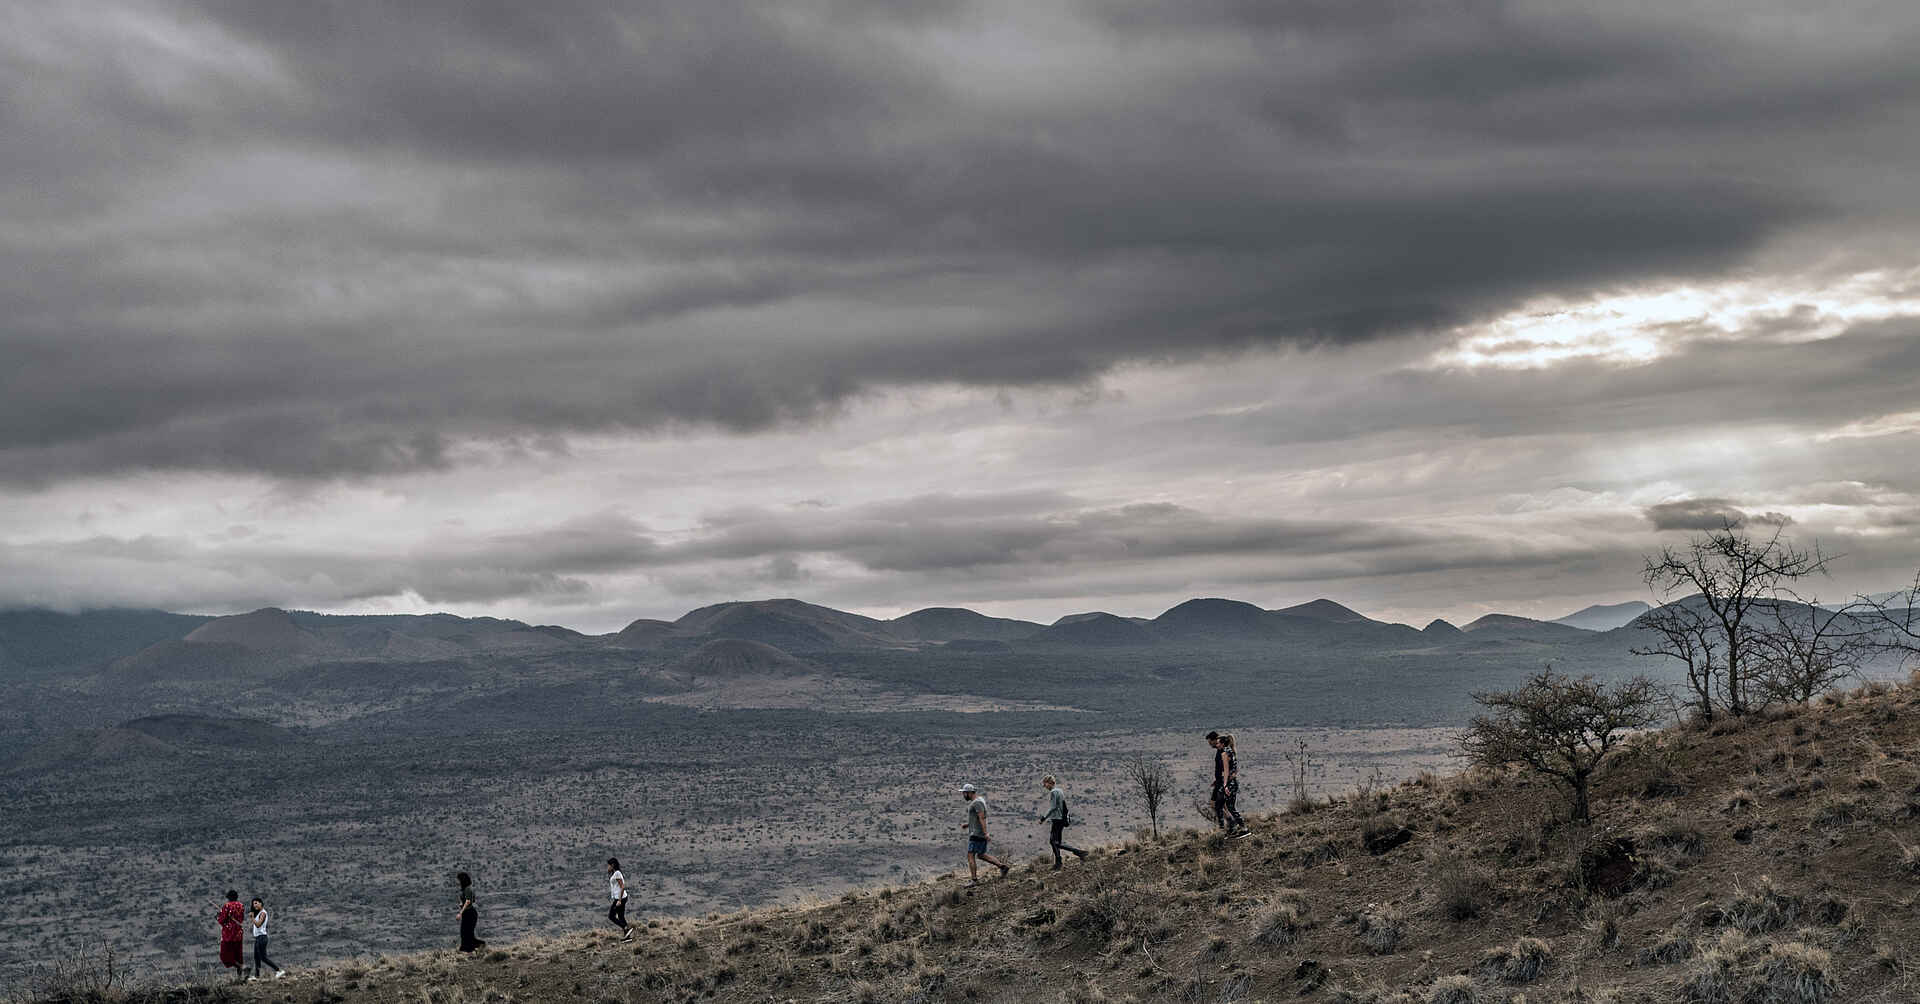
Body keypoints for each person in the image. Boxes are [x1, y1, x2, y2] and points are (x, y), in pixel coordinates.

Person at [959, 783, 1010, 885]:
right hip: (978, 832)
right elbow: (978, 818)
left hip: (977, 834)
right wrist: (968, 824)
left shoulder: (976, 803)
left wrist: (986, 833)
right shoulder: (979, 800)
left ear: (969, 793)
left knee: (970, 855)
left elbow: (982, 818)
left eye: (964, 793)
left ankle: (974, 880)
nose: (963, 795)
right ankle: (1002, 867)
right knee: (981, 855)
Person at [1039, 775, 1088, 870]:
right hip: (1062, 819)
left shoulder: (1053, 792)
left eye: (1045, 784)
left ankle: (1078, 852)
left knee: (1054, 842)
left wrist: (1043, 818)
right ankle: (1058, 862)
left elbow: (1053, 808)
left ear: (1049, 783)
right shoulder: (1060, 791)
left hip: (1057, 819)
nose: (1045, 786)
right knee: (1057, 842)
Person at [1207, 731, 1250, 837]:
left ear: (1221, 743)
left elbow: (1226, 771)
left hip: (1227, 783)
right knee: (1229, 806)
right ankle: (1238, 828)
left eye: (1217, 743)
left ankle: (1227, 829)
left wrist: (1225, 784)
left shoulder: (1225, 753)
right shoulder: (1231, 751)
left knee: (1219, 805)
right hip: (1231, 783)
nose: (1216, 745)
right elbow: (1233, 769)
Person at [249, 897, 285, 980]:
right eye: (254, 904)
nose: (255, 905)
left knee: (263, 957)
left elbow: (258, 924)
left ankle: (279, 970)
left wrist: (252, 918)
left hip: (262, 938)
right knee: (256, 957)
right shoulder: (258, 913)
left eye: (256, 903)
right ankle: (257, 976)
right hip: (258, 938)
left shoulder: (263, 913)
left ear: (261, 903)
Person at [215, 890, 247, 982]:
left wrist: (218, 916)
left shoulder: (227, 906)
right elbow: (240, 919)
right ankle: (240, 977)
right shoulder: (241, 906)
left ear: (228, 897)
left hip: (228, 934)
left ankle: (242, 967)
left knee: (224, 955)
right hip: (239, 934)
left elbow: (222, 920)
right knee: (238, 955)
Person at [455, 872, 485, 953]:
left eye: (459, 880)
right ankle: (469, 951)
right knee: (465, 934)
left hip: (470, 914)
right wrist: (461, 902)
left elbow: (468, 902)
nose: (457, 882)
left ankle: (481, 945)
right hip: (467, 914)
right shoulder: (465, 889)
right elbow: (470, 900)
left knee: (467, 934)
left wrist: (460, 913)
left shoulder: (468, 888)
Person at [606, 858, 632, 941]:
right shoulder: (615, 873)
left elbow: (622, 886)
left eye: (608, 865)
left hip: (620, 898)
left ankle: (626, 928)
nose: (607, 867)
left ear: (612, 865)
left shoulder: (617, 873)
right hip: (620, 898)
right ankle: (627, 937)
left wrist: (619, 900)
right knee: (621, 916)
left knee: (611, 916)